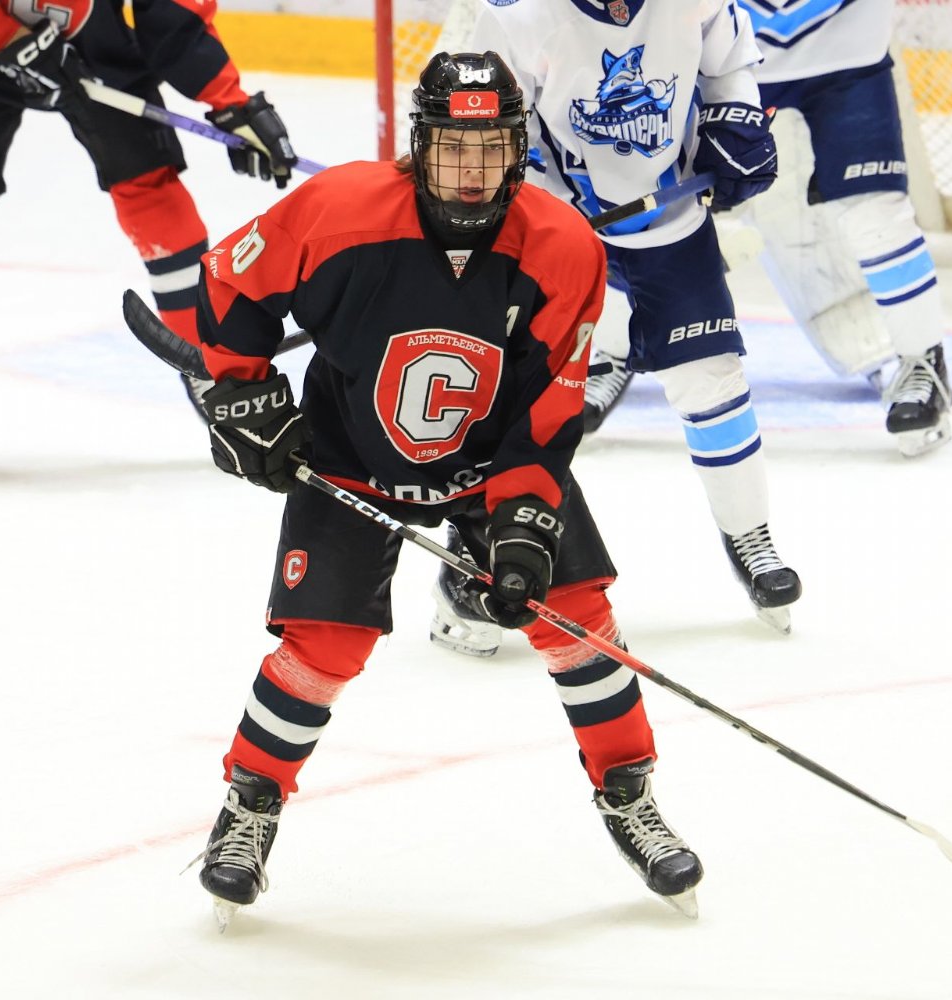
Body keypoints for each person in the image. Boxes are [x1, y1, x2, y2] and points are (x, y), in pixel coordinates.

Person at [186, 51, 703, 932]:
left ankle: (628, 793)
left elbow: (549, 410)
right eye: (454, 148)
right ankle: (250, 804)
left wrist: (523, 521)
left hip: (491, 463)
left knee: (577, 616)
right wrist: (240, 393)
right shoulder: (340, 209)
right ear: (418, 146)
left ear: (518, 150)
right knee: (323, 647)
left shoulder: (563, 247)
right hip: (350, 454)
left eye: (492, 148)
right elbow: (233, 280)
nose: (472, 171)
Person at [430, 0, 802, 657]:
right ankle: (474, 549)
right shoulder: (519, 16)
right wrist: (532, 205)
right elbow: (491, 130)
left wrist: (735, 118)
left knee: (712, 381)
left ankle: (750, 534)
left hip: (672, 220)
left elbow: (729, 61)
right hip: (559, 231)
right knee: (520, 400)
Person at [0, 0, 296, 471]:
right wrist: (9, 39)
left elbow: (171, 11)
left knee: (157, 204)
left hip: (95, 49)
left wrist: (229, 101)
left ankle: (208, 369)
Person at [735, 0, 952, 458]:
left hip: (848, 53)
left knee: (875, 212)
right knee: (660, 205)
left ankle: (922, 363)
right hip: (726, 58)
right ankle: (610, 350)